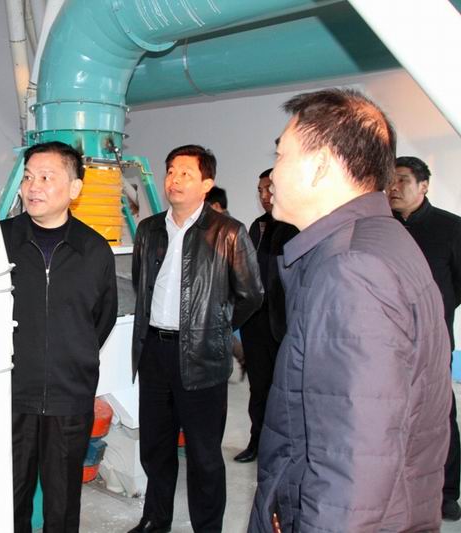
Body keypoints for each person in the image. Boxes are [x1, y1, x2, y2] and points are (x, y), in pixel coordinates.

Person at [249, 88, 451, 532]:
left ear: (321, 165)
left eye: (281, 156)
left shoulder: (352, 268)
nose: (272, 175)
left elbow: (353, 463)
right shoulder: (377, 238)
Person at [130, 145, 263, 532]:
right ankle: (156, 520)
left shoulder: (228, 232)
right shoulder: (149, 230)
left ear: (207, 183)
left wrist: (215, 329)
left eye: (186, 173)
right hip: (154, 353)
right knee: (155, 448)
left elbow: (251, 294)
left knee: (204, 456)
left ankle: (208, 528)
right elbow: (142, 283)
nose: (174, 179)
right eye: (171, 171)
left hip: (202, 358)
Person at [1, 141, 118, 533]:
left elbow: (101, 319)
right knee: (8, 496)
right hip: (11, 392)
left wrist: (71, 355)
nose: (33, 186)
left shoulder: (94, 250)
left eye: (46, 177)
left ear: (74, 188)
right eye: (28, 177)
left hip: (69, 397)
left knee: (63, 502)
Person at [387, 155, 461, 521]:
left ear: (424, 186)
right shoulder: (381, 227)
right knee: (390, 415)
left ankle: (446, 491)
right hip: (386, 341)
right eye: (390, 180)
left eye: (402, 180)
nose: (394, 187)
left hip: (432, 341)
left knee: (438, 415)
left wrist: (435, 312)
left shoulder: (451, 227)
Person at [234, 169, 298, 463]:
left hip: (286, 325)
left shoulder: (298, 225)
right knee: (258, 388)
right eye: (260, 190)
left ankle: (284, 450)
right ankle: (256, 442)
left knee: (285, 391)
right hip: (256, 323)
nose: (264, 196)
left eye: (268, 189)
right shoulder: (258, 226)